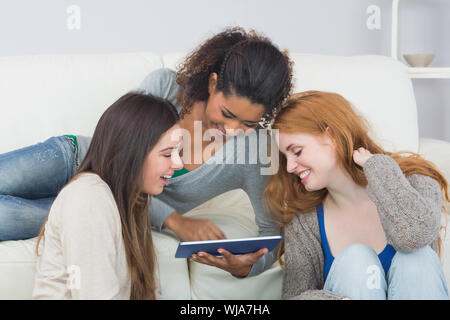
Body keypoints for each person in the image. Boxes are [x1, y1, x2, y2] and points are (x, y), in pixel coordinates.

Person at [0, 27, 293, 278]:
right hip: (74, 157)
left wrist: (245, 268)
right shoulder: (166, 87)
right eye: (227, 113)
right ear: (214, 83)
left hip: (103, 206)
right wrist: (176, 221)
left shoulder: (254, 151)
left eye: (248, 123)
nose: (232, 129)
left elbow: (271, 233)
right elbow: (120, 162)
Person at [264, 90, 449, 300]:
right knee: (356, 259)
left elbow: (414, 237)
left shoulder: (417, 182)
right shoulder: (305, 219)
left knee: (417, 258)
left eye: (296, 151)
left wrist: (379, 170)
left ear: (331, 136)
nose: (289, 167)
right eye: (284, 157)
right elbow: (294, 296)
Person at [32, 92, 183, 299]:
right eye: (167, 154)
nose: (178, 164)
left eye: (178, 153)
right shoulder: (88, 197)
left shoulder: (133, 202)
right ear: (132, 152)